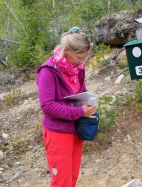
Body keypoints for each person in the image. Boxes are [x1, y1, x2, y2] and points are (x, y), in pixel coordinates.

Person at [36, 27, 97, 187]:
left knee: (72, 179)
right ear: (67, 50)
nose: (81, 61)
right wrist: (79, 111)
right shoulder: (48, 71)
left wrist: (88, 105)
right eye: (79, 57)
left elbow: (81, 92)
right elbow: (47, 106)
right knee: (62, 182)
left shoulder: (77, 70)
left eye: (84, 58)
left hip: (76, 131)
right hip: (57, 134)